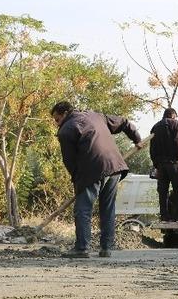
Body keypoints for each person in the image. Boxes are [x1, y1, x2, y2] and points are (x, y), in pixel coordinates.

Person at [51, 101, 143, 258]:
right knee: (107, 209)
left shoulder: (66, 131)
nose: (56, 123)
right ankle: (106, 248)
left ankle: (81, 248)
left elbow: (70, 161)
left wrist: (77, 181)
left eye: (57, 119)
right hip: (114, 167)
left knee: (82, 210)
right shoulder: (96, 116)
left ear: (65, 113)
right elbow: (124, 122)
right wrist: (136, 139)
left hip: (92, 170)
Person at [149, 107, 178, 222]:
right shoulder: (175, 123)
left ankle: (164, 216)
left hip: (161, 165)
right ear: (173, 115)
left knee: (162, 191)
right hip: (173, 163)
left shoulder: (155, 127)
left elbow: (152, 148)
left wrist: (156, 164)